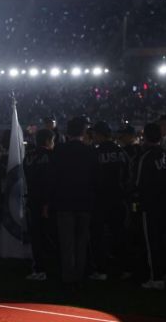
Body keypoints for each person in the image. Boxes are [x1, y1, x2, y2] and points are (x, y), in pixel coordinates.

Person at [49, 116, 98, 288]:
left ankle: (68, 275)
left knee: (67, 241)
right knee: (81, 240)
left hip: (64, 202)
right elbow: (95, 178)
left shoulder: (59, 151)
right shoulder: (90, 151)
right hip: (84, 201)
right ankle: (80, 273)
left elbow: (53, 178)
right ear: (83, 132)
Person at [136, 122, 166, 290]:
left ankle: (155, 277)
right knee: (163, 239)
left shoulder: (146, 157)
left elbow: (138, 183)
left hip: (150, 205)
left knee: (152, 241)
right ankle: (164, 272)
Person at [90, 121, 130, 280]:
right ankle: (123, 268)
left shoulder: (96, 153)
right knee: (119, 234)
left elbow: (91, 177)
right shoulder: (121, 152)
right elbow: (129, 175)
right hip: (119, 199)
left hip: (101, 200)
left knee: (99, 236)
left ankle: (101, 270)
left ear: (99, 135)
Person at [24, 129, 55, 280]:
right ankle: (50, 266)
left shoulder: (28, 156)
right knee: (49, 235)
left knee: (36, 236)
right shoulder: (51, 155)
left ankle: (39, 268)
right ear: (49, 140)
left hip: (32, 200)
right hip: (48, 202)